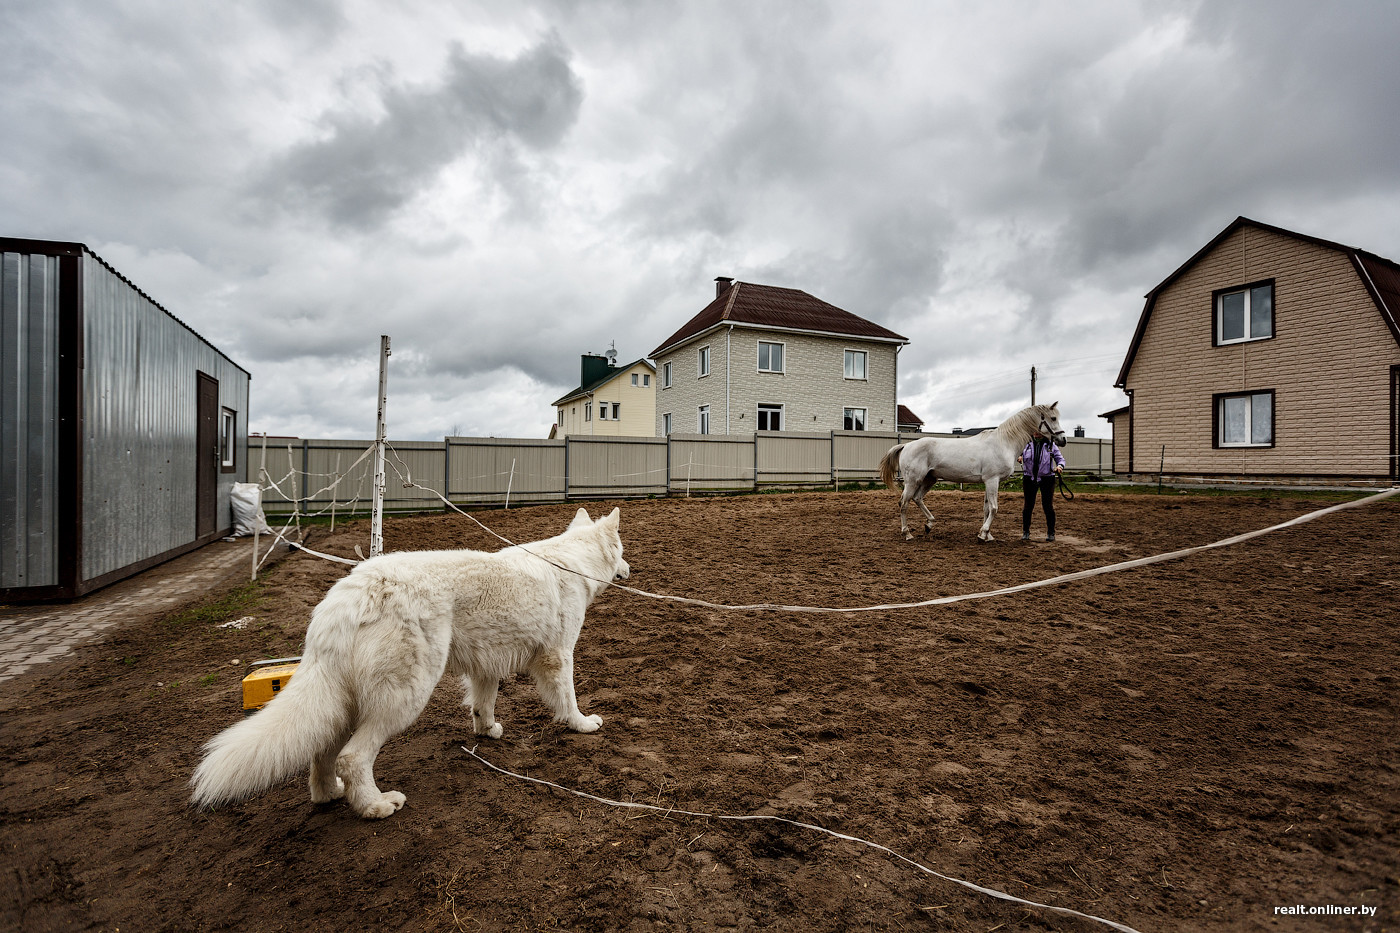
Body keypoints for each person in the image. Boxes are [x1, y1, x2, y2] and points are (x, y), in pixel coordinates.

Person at [1018, 431, 1066, 541]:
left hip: (1047, 478)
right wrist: (1019, 457)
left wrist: (1060, 466)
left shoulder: (1050, 445)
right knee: (1028, 507)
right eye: (1035, 431)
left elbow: (1060, 458)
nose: (1037, 433)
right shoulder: (1026, 445)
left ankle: (1051, 533)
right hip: (1029, 478)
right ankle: (1025, 532)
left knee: (1048, 506)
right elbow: (1017, 454)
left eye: (1039, 432)